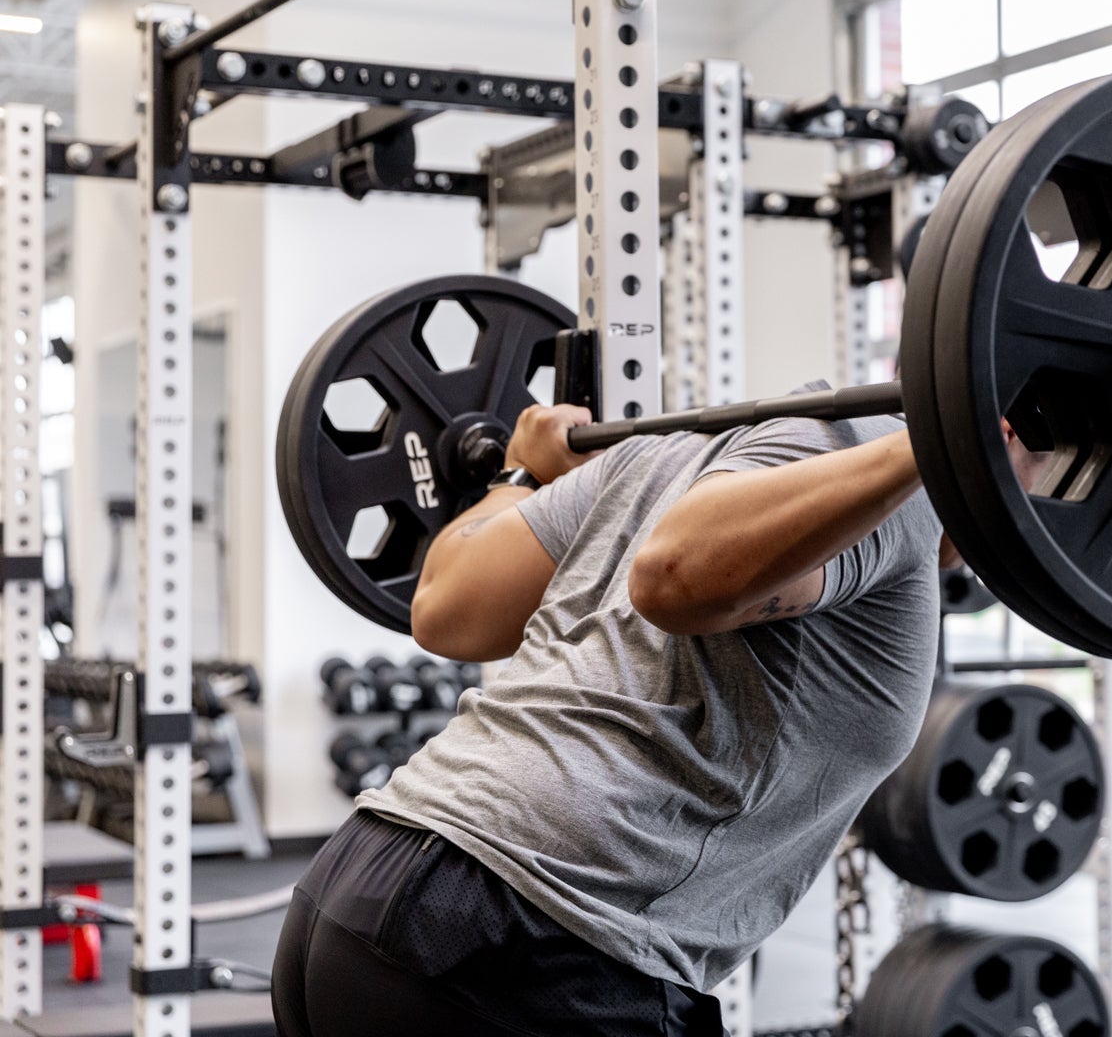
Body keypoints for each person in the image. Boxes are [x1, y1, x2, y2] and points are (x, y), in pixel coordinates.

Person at [272, 390, 963, 1036]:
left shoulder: (672, 450)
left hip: (359, 889)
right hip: (538, 939)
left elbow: (450, 604)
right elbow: (672, 575)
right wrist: (940, 450)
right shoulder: (889, 468)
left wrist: (517, 474)